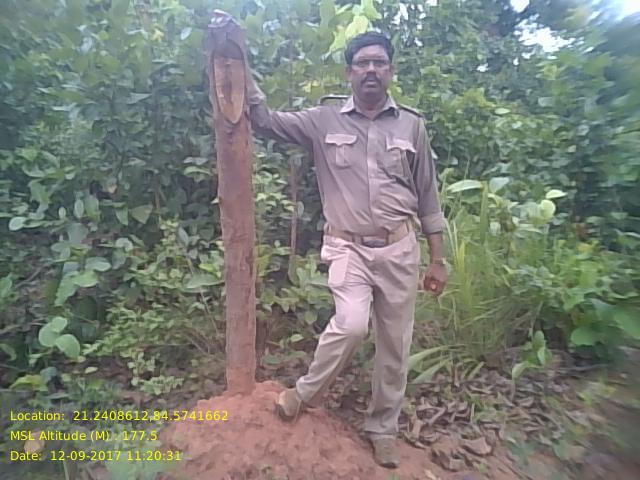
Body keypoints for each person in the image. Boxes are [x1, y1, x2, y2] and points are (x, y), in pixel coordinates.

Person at [213, 12, 448, 468]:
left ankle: (382, 429)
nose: (371, 70)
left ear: (391, 71)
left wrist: (438, 259)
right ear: (349, 72)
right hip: (348, 248)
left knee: (395, 347)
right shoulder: (323, 120)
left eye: (379, 63)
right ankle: (305, 394)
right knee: (353, 324)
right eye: (362, 63)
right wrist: (238, 64)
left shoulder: (412, 126)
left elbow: (428, 197)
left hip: (400, 249)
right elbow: (266, 121)